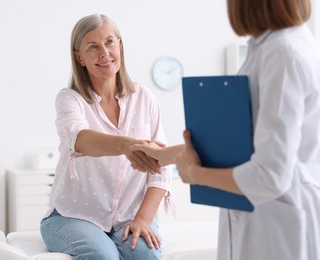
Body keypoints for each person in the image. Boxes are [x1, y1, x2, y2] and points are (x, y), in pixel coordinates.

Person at [131, 0, 320, 259]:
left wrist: (195, 174)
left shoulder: (284, 53)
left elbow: (271, 175)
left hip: (277, 224)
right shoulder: (267, 48)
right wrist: (166, 156)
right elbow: (246, 143)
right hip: (259, 217)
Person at [40, 14, 173, 260]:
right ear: (79, 56)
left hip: (129, 217)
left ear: (120, 45)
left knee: (146, 255)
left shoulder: (145, 98)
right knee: (104, 256)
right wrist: (128, 145)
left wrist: (143, 219)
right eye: (92, 47)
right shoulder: (70, 99)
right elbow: (80, 139)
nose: (104, 53)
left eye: (110, 42)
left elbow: (161, 170)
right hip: (73, 216)